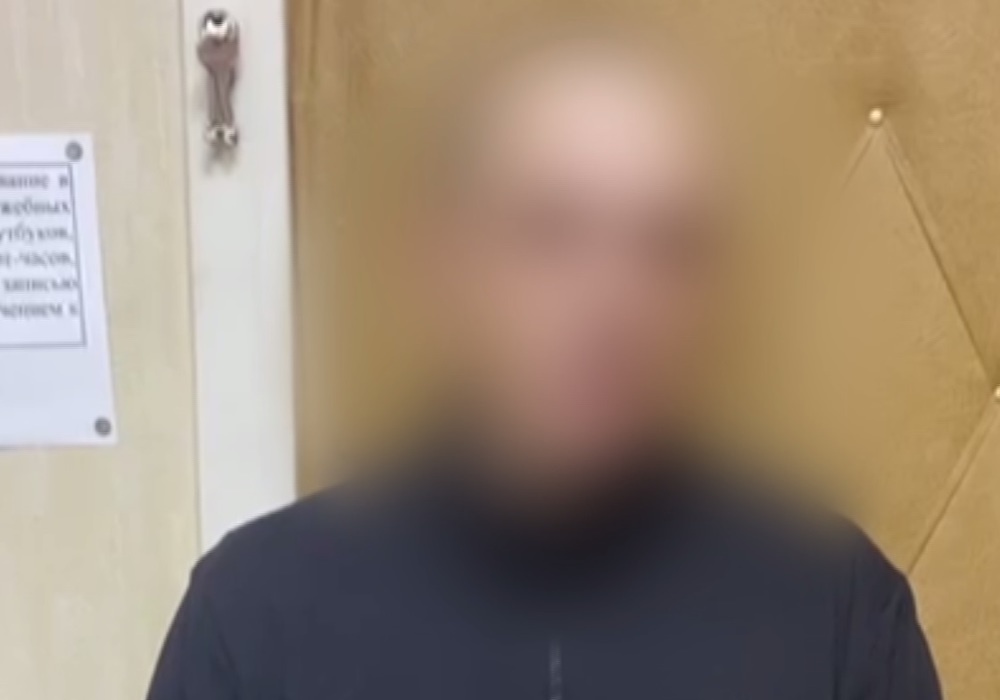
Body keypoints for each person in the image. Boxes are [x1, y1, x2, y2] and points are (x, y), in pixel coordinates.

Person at [147, 31, 941, 700]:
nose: (614, 303)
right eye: (549, 233)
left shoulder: (837, 608)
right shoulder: (254, 612)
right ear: (444, 266)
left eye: (667, 248)